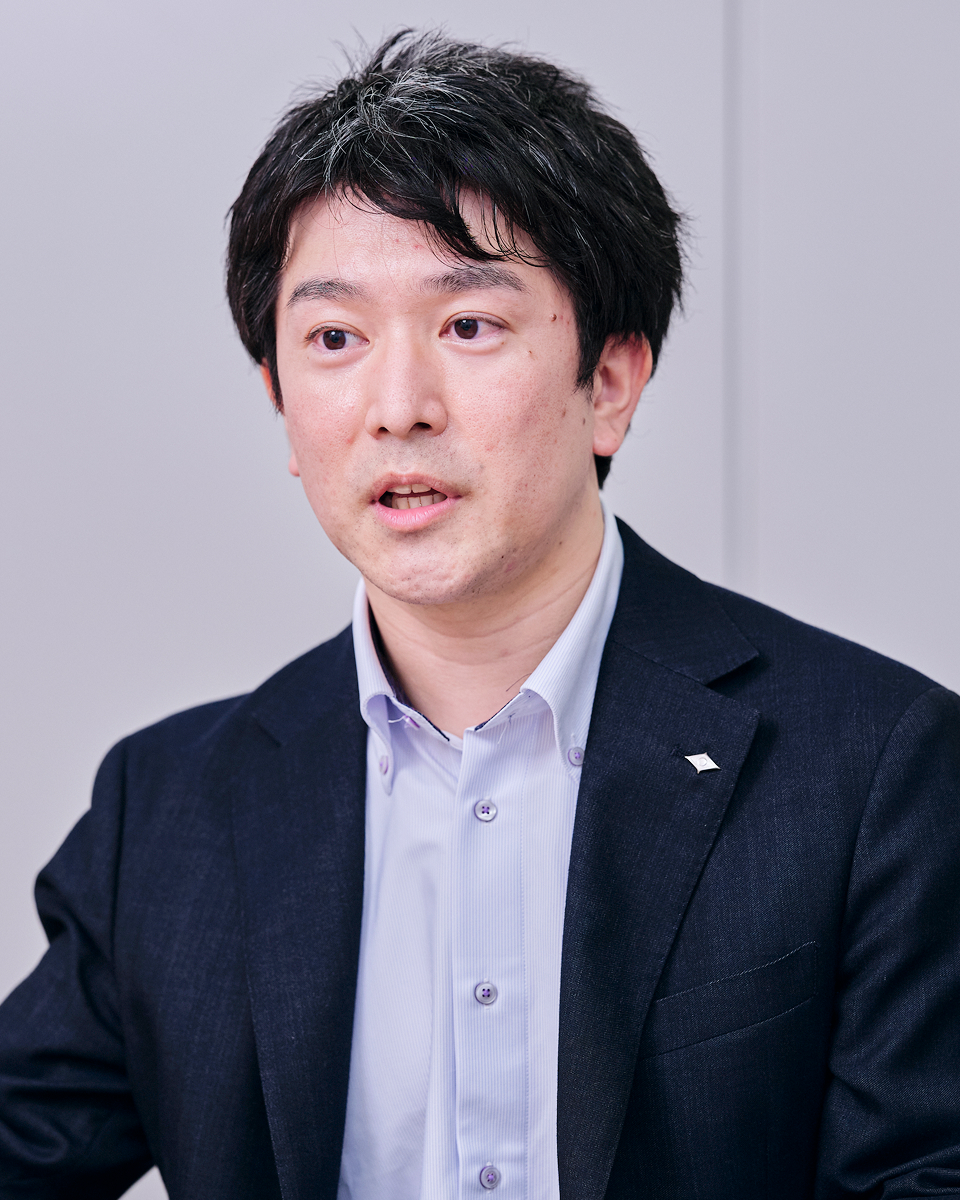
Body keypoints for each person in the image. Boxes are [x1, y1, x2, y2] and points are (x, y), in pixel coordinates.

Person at [1, 28, 958, 1200]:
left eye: (469, 325)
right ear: (280, 400)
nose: (398, 406)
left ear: (611, 382)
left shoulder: (872, 771)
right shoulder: (169, 812)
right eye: (335, 339)